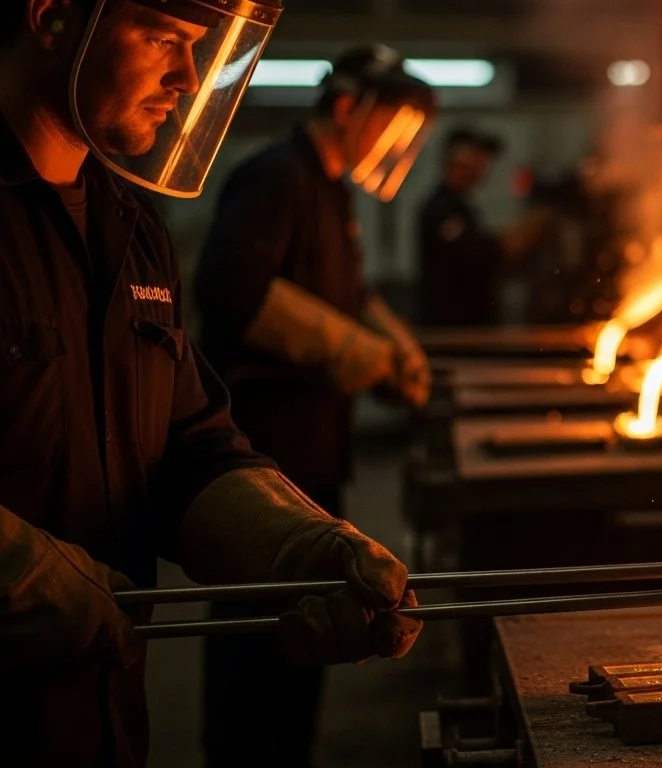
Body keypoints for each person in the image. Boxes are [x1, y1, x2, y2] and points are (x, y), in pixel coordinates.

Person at [0, 2, 421, 767]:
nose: (189, 79)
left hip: (105, 715)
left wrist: (297, 547)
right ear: (55, 16)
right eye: (163, 36)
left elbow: (187, 442)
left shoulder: (131, 228)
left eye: (198, 47)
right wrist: (28, 578)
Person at [192, 43, 435, 767]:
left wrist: (396, 345)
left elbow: (347, 297)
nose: (396, 147)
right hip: (265, 460)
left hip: (316, 450)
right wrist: (362, 356)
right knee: (255, 646)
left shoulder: (331, 191)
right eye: (389, 126)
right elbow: (233, 289)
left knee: (307, 638)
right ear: (343, 107)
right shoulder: (277, 179)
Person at [417, 127, 549, 326]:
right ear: (460, 158)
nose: (484, 166)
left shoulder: (461, 208)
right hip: (453, 331)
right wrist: (533, 225)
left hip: (467, 327)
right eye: (478, 156)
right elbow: (481, 252)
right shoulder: (441, 209)